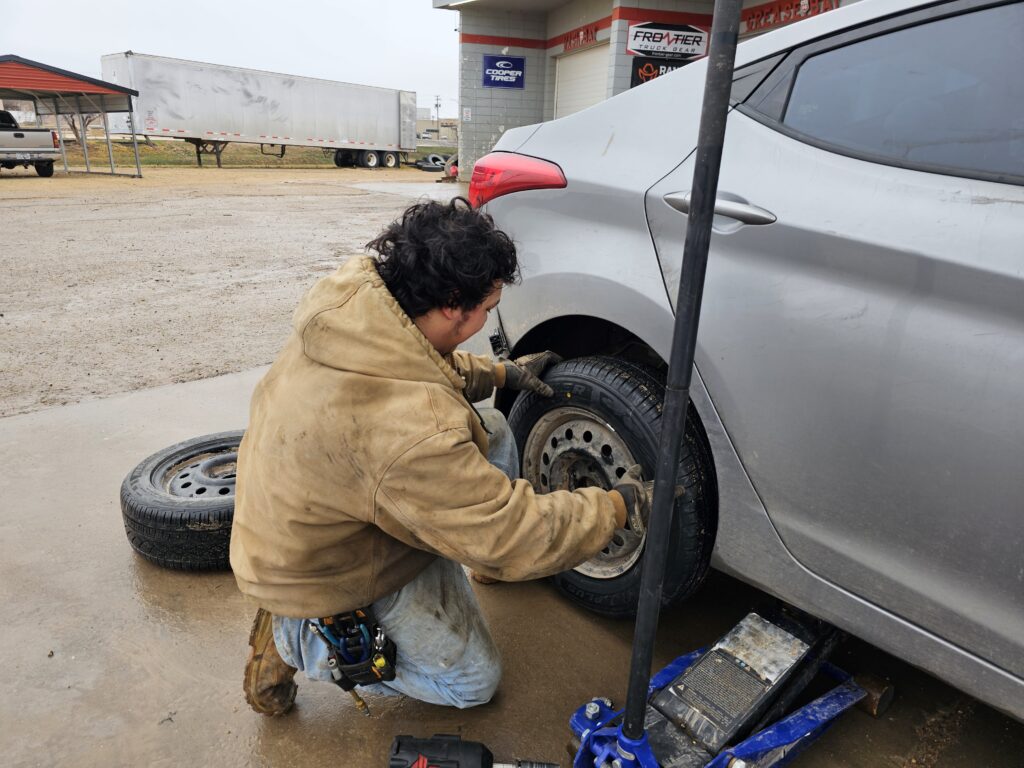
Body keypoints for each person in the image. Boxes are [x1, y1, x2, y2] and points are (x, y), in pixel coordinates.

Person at [229, 197, 652, 715]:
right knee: (473, 683)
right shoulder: (411, 431)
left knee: (490, 426)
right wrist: (617, 506)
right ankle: (300, 636)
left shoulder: (354, 306)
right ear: (454, 303)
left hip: (307, 510)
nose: (489, 316)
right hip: (321, 570)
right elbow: (509, 534)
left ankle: (463, 551)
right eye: (488, 306)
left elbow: (415, 362)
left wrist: (501, 373)